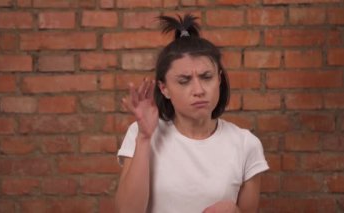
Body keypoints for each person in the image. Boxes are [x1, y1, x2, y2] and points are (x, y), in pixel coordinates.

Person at [115, 14, 269, 213]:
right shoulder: (141, 133)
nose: (199, 90)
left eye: (206, 77)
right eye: (184, 80)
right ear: (164, 88)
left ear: (219, 80)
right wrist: (144, 138)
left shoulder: (245, 144)